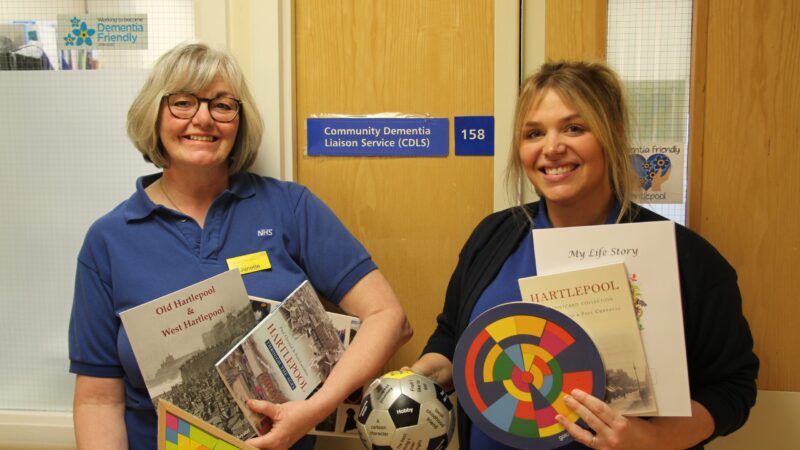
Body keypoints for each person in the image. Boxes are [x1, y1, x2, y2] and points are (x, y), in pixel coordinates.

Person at [68, 42, 412, 450]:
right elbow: (96, 400)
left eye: (222, 105)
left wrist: (315, 409)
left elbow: (388, 317)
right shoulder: (108, 240)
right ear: (154, 115)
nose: (203, 118)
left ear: (239, 120)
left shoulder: (289, 207)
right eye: (182, 102)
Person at [410, 61, 758, 450]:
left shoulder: (686, 259)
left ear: (613, 135)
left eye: (574, 128)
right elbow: (453, 339)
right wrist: (417, 377)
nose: (552, 147)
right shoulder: (492, 237)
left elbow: (733, 389)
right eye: (534, 133)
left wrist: (653, 439)